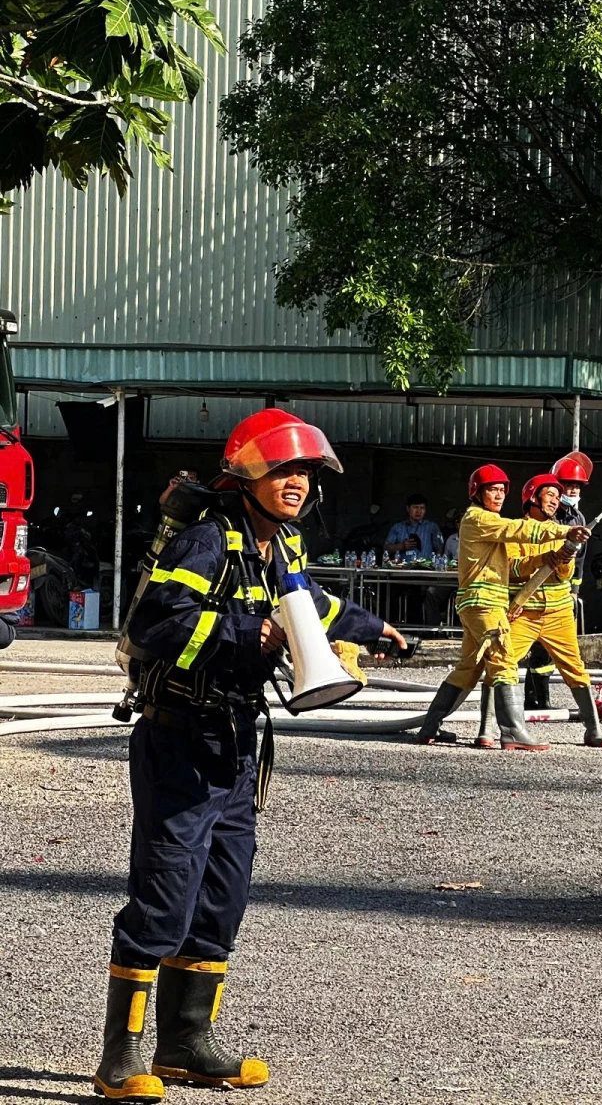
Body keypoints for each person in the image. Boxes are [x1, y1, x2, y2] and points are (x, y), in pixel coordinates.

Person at [95, 410, 407, 1100]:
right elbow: (157, 623)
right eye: (282, 468)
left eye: (304, 471)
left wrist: (374, 625)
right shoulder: (209, 540)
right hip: (181, 738)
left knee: (221, 897)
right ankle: (121, 1055)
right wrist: (249, 630)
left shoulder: (282, 546)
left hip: (235, 745)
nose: (295, 481)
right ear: (248, 474)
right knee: (164, 898)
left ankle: (186, 1042)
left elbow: (311, 607)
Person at [409, 464, 587, 749]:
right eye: (492, 490)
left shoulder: (485, 522)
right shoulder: (480, 518)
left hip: (479, 604)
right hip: (485, 604)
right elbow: (518, 529)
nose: (499, 495)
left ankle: (430, 727)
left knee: (469, 668)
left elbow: (516, 560)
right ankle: (513, 732)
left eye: (502, 490)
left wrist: (548, 557)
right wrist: (565, 531)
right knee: (504, 660)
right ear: (477, 493)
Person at [502, 473, 602, 748]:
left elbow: (565, 575)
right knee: (502, 664)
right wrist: (540, 560)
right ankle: (498, 730)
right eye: (549, 495)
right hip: (524, 612)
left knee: (574, 667)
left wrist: (565, 557)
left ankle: (593, 729)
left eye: (556, 495)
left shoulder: (560, 530)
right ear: (532, 498)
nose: (555, 501)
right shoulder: (514, 530)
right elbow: (511, 569)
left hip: (558, 612)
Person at [384, 494, 444, 563]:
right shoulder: (397, 527)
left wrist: (436, 565)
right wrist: (401, 546)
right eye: (415, 507)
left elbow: (439, 549)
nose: (418, 511)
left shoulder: (432, 527)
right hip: (403, 569)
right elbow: (386, 548)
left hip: (426, 569)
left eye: (422, 508)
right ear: (408, 509)